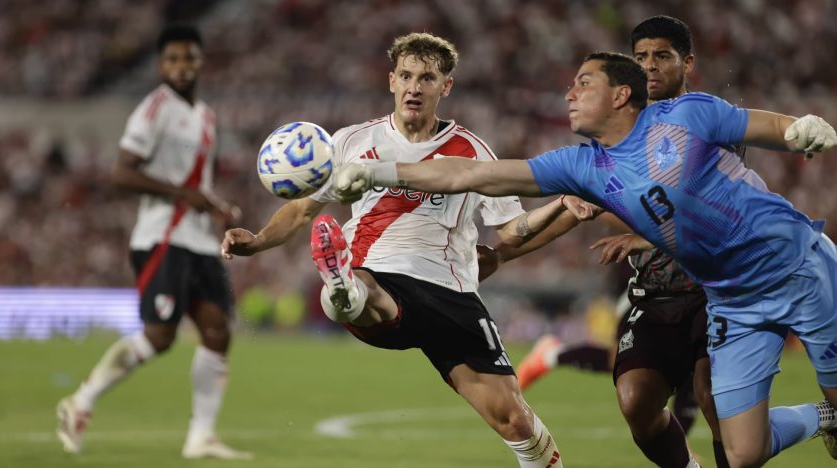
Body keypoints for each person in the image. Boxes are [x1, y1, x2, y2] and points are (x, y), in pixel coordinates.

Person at [334, 51, 837, 467]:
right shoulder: (582, 165)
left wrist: (801, 130)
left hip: (799, 265)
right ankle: (824, 418)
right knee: (744, 453)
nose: (569, 94)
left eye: (583, 84)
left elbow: (764, 126)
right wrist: (379, 174)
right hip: (732, 299)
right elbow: (467, 176)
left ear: (620, 95)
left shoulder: (683, 115)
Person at [222, 33, 565, 467]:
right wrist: (257, 241)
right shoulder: (350, 142)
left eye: (427, 78)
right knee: (365, 292)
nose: (414, 87)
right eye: (405, 75)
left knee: (513, 419)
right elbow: (301, 211)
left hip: (449, 292)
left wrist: (562, 207)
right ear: (390, 81)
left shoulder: (473, 151)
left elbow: (513, 230)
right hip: (380, 273)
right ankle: (342, 286)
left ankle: (343, 293)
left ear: (446, 87)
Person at [499, 16, 728, 468]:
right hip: (654, 294)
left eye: (661, 56)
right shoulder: (619, 133)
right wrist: (504, 254)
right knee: (636, 402)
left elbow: (713, 211)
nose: (649, 67)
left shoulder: (708, 122)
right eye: (640, 57)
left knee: (712, 398)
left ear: (688, 63)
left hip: (714, 290)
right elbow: (576, 207)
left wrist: (643, 236)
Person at [56, 24, 251, 460]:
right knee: (160, 336)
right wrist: (187, 197)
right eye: (173, 59)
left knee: (217, 332)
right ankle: (79, 402)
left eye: (189, 58)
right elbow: (122, 172)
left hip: (198, 241)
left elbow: (194, 181)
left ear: (201, 62)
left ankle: (200, 437)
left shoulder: (204, 114)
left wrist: (215, 205)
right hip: (163, 236)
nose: (182, 67)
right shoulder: (154, 108)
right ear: (161, 65)